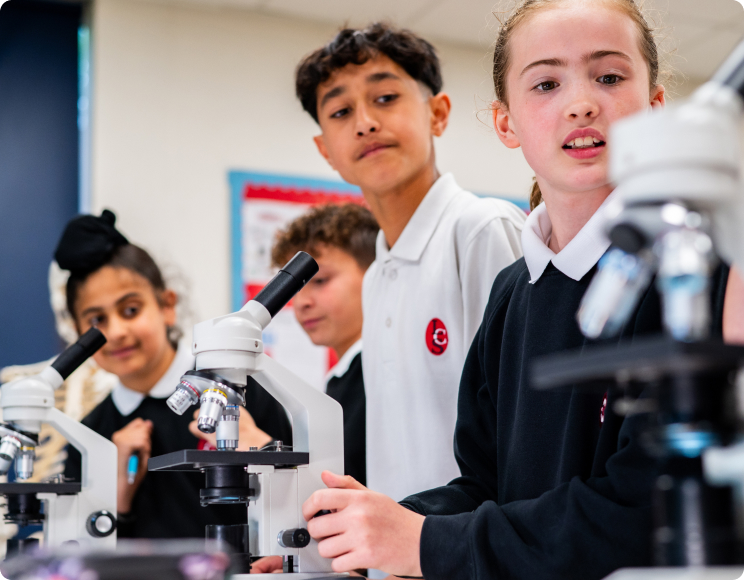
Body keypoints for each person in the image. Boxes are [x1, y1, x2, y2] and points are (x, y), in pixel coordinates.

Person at [273, 1, 744, 578]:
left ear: (655, 104)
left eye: (610, 77)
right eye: (546, 83)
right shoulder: (513, 291)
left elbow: (643, 510)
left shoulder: (695, 271)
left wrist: (424, 543)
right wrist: (359, 533)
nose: (581, 102)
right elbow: (484, 482)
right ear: (506, 123)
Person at [294, 22, 526, 506]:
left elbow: (526, 438)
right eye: (340, 111)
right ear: (326, 151)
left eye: (385, 98)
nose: (364, 123)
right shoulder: (377, 275)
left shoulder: (482, 231)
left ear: (437, 114)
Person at [60, 210, 291, 538]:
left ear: (167, 306)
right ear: (78, 333)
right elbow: (76, 553)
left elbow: (292, 515)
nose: (117, 332)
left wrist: (263, 452)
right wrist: (116, 501)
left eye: (130, 310)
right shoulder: (89, 437)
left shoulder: (241, 395)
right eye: (97, 320)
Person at [270, 202, 379, 486]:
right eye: (295, 289)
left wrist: (262, 445)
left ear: (376, 275)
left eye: (320, 280)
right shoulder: (341, 380)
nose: (302, 302)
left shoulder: (379, 373)